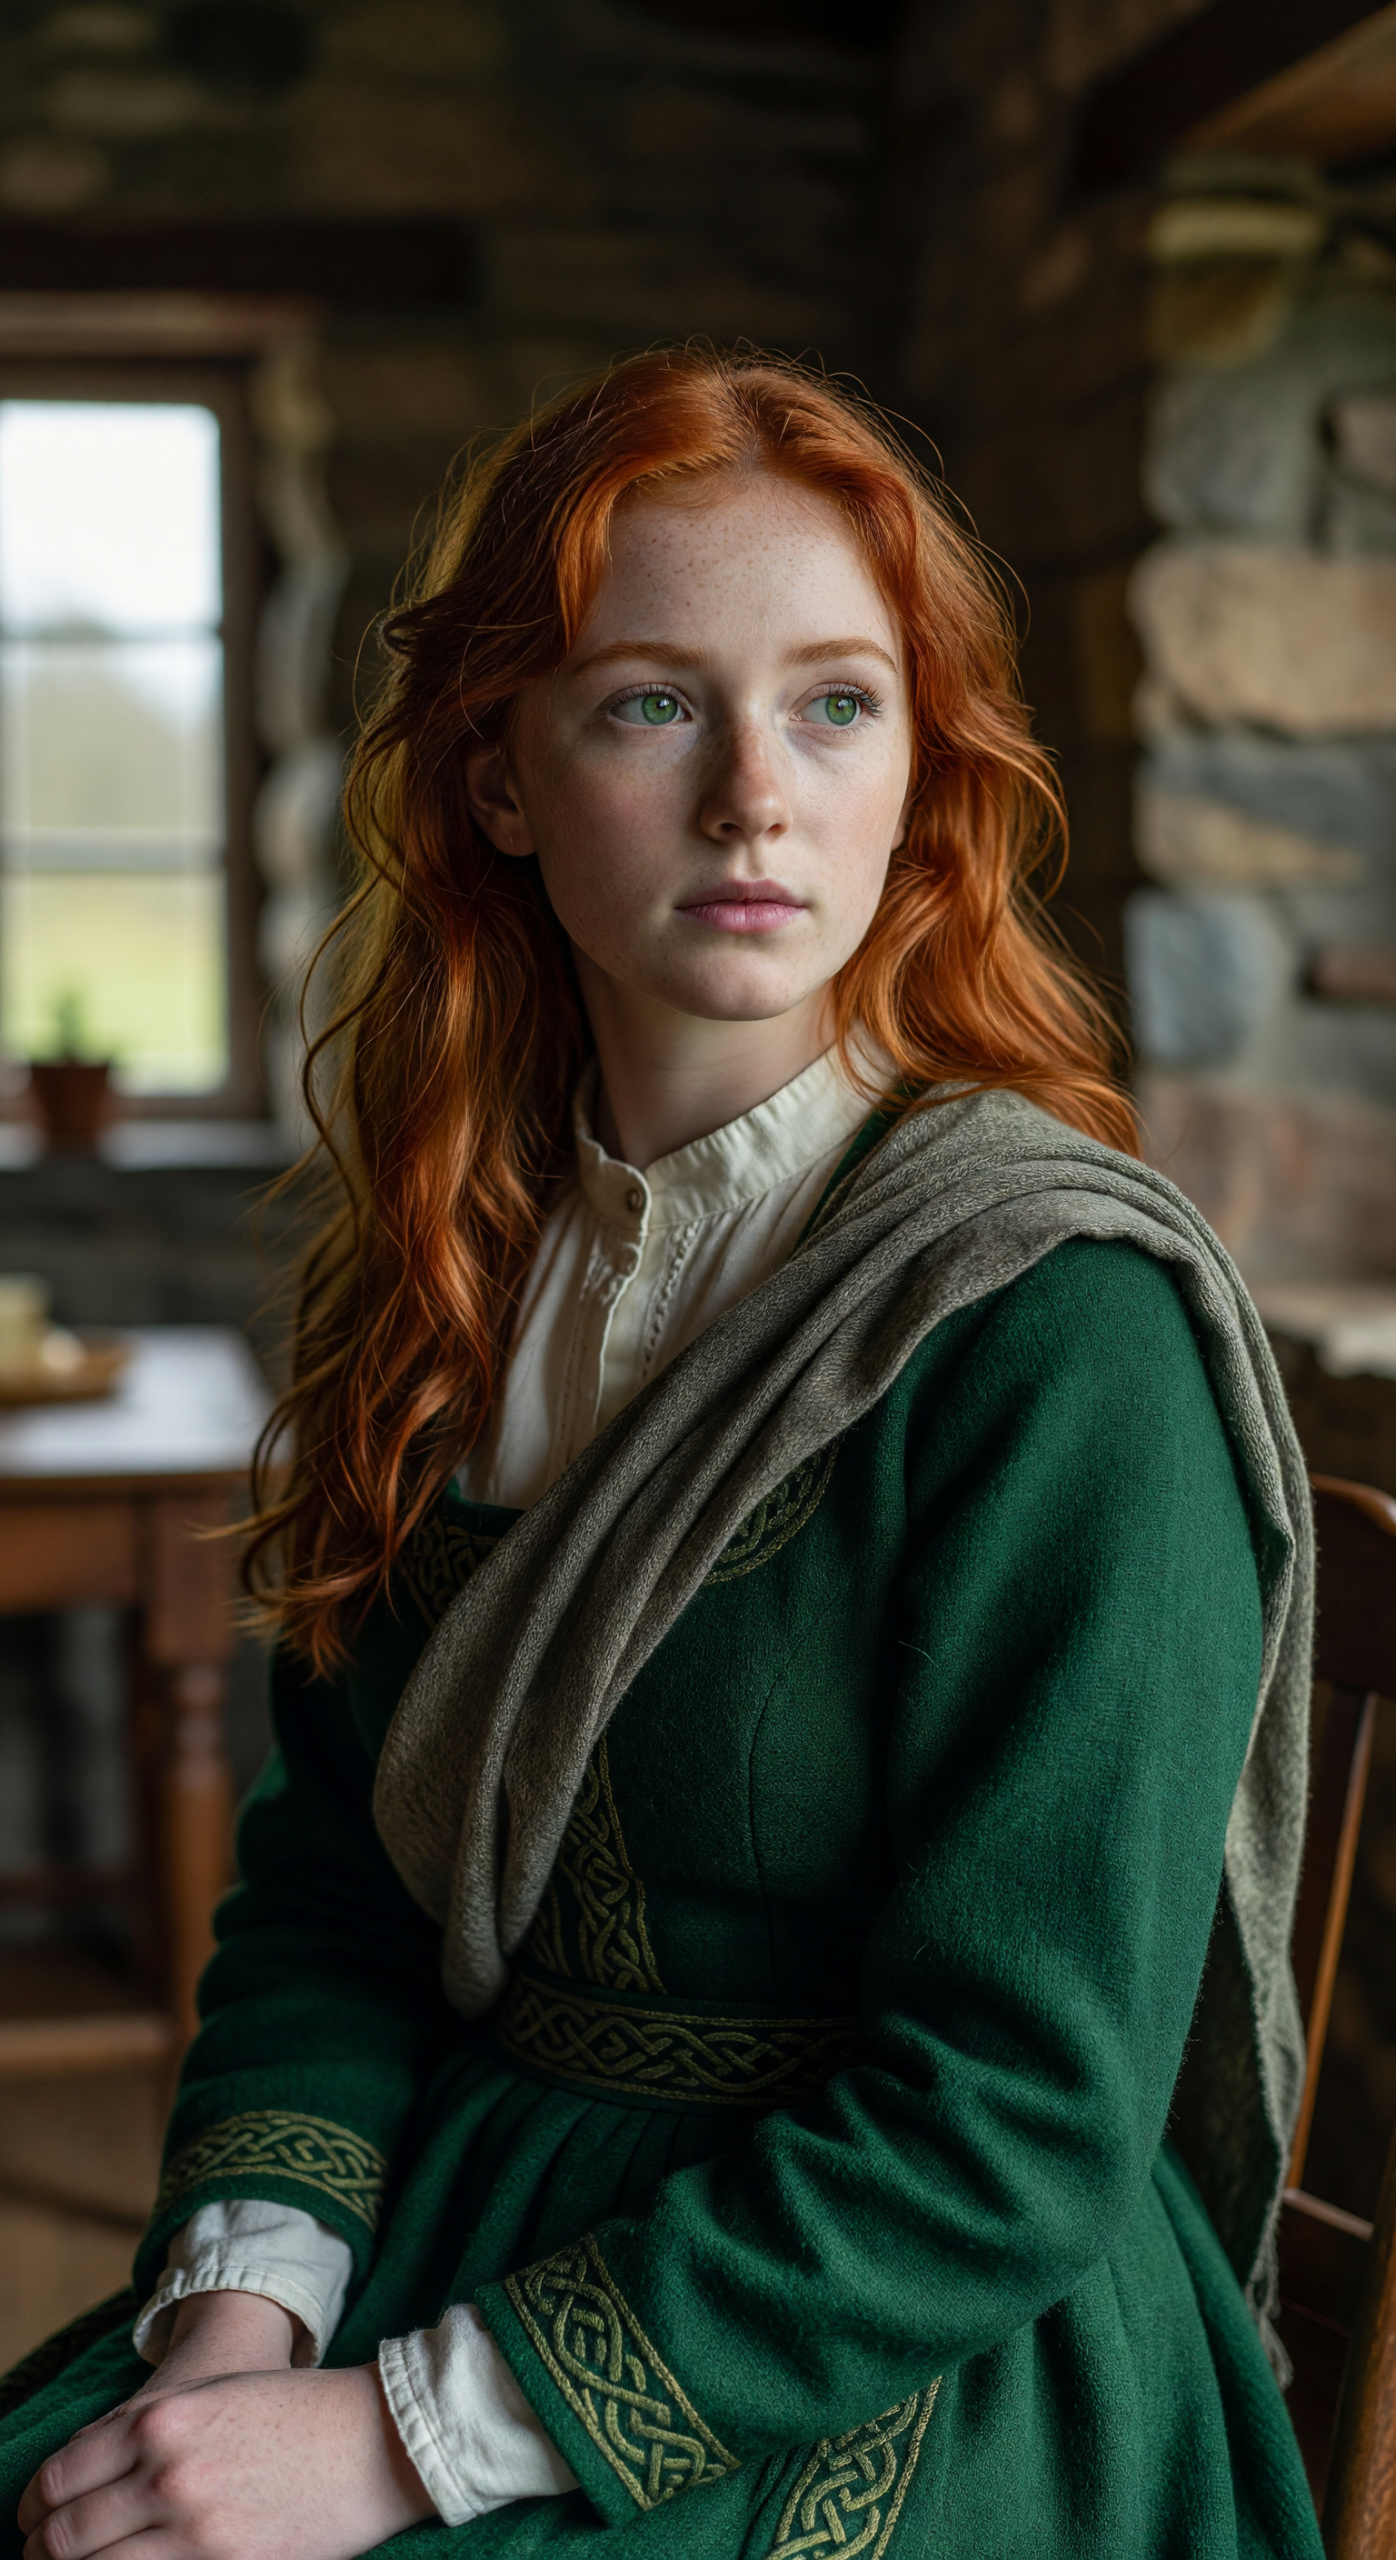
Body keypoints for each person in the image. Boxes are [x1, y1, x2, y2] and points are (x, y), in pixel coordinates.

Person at [2, 348, 1321, 2560]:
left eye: (833, 703)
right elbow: (340, 1883)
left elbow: (1012, 2118)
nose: (751, 799)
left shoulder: (1041, 1322)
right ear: (497, 772)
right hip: (470, 2187)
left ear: (920, 770)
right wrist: (239, 2317)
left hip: (887, 2324)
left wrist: (390, 2436)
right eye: (645, 703)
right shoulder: (452, 1285)